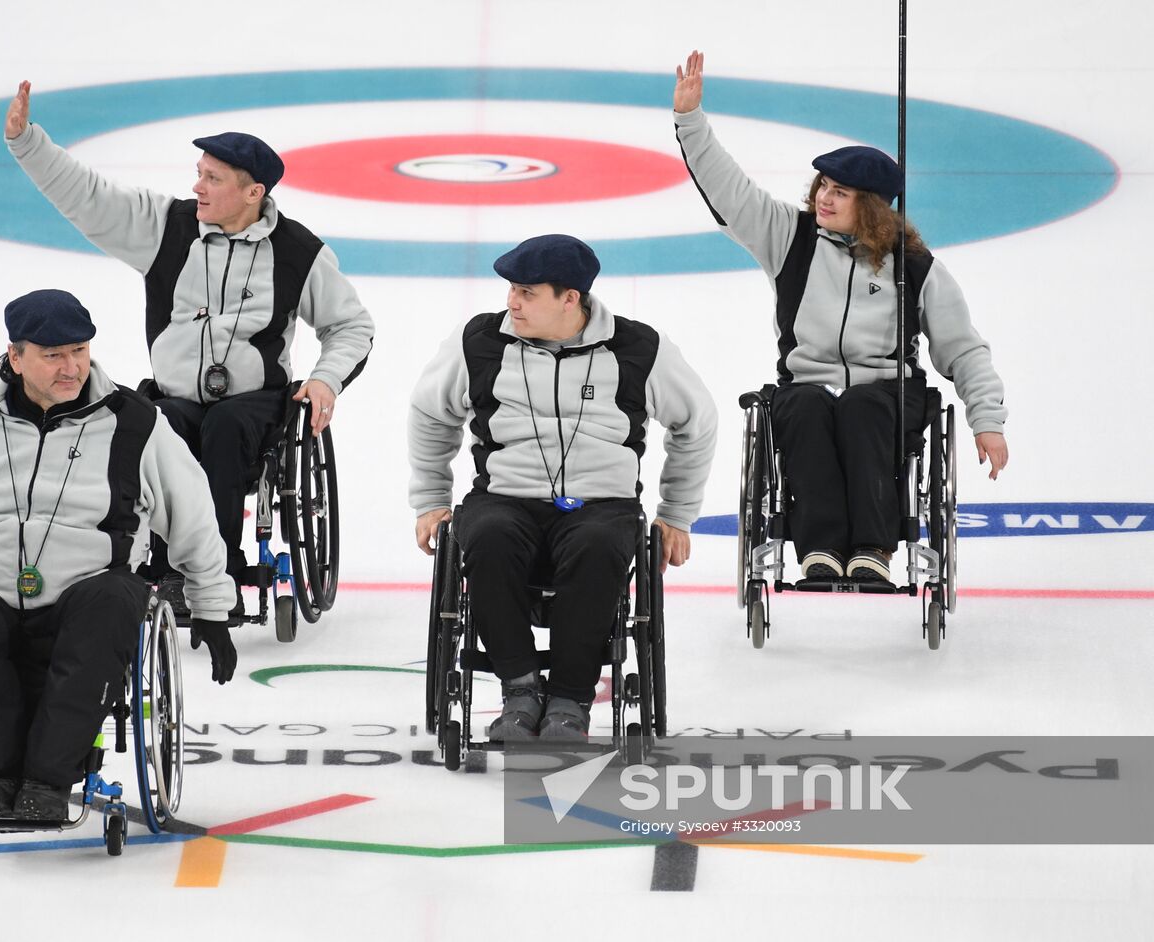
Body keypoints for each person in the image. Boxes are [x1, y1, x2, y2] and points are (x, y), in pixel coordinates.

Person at [4, 81, 375, 623]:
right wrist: (27, 143)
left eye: (212, 178)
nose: (196, 185)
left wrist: (324, 380)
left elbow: (351, 327)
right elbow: (87, 196)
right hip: (174, 396)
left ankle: (213, 571)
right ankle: (163, 565)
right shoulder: (165, 228)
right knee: (155, 426)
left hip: (255, 405)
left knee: (224, 429)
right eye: (198, 173)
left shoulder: (298, 253)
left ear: (254, 193)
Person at [0, 289, 236, 822]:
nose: (73, 367)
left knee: (110, 606)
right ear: (16, 357)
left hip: (91, 587)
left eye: (80, 351)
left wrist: (212, 607)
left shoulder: (134, 421)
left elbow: (193, 517)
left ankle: (46, 780)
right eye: (54, 355)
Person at [672, 51, 1009, 582]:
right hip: (806, 385)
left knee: (862, 409)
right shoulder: (791, 238)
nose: (824, 198)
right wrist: (690, 122)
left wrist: (986, 421)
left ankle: (872, 549)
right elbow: (729, 191)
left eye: (840, 192)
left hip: (887, 395)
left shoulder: (914, 268)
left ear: (872, 206)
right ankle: (820, 550)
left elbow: (963, 349)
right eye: (823, 187)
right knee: (805, 407)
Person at [409, 235, 717, 740]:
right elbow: (429, 412)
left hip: (602, 504)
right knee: (485, 537)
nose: (512, 301)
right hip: (506, 497)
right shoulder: (480, 342)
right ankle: (520, 691)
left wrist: (676, 513)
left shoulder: (638, 348)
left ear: (570, 297)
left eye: (528, 292)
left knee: (599, 545)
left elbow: (697, 422)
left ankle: (571, 699)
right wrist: (430, 500)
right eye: (511, 288)